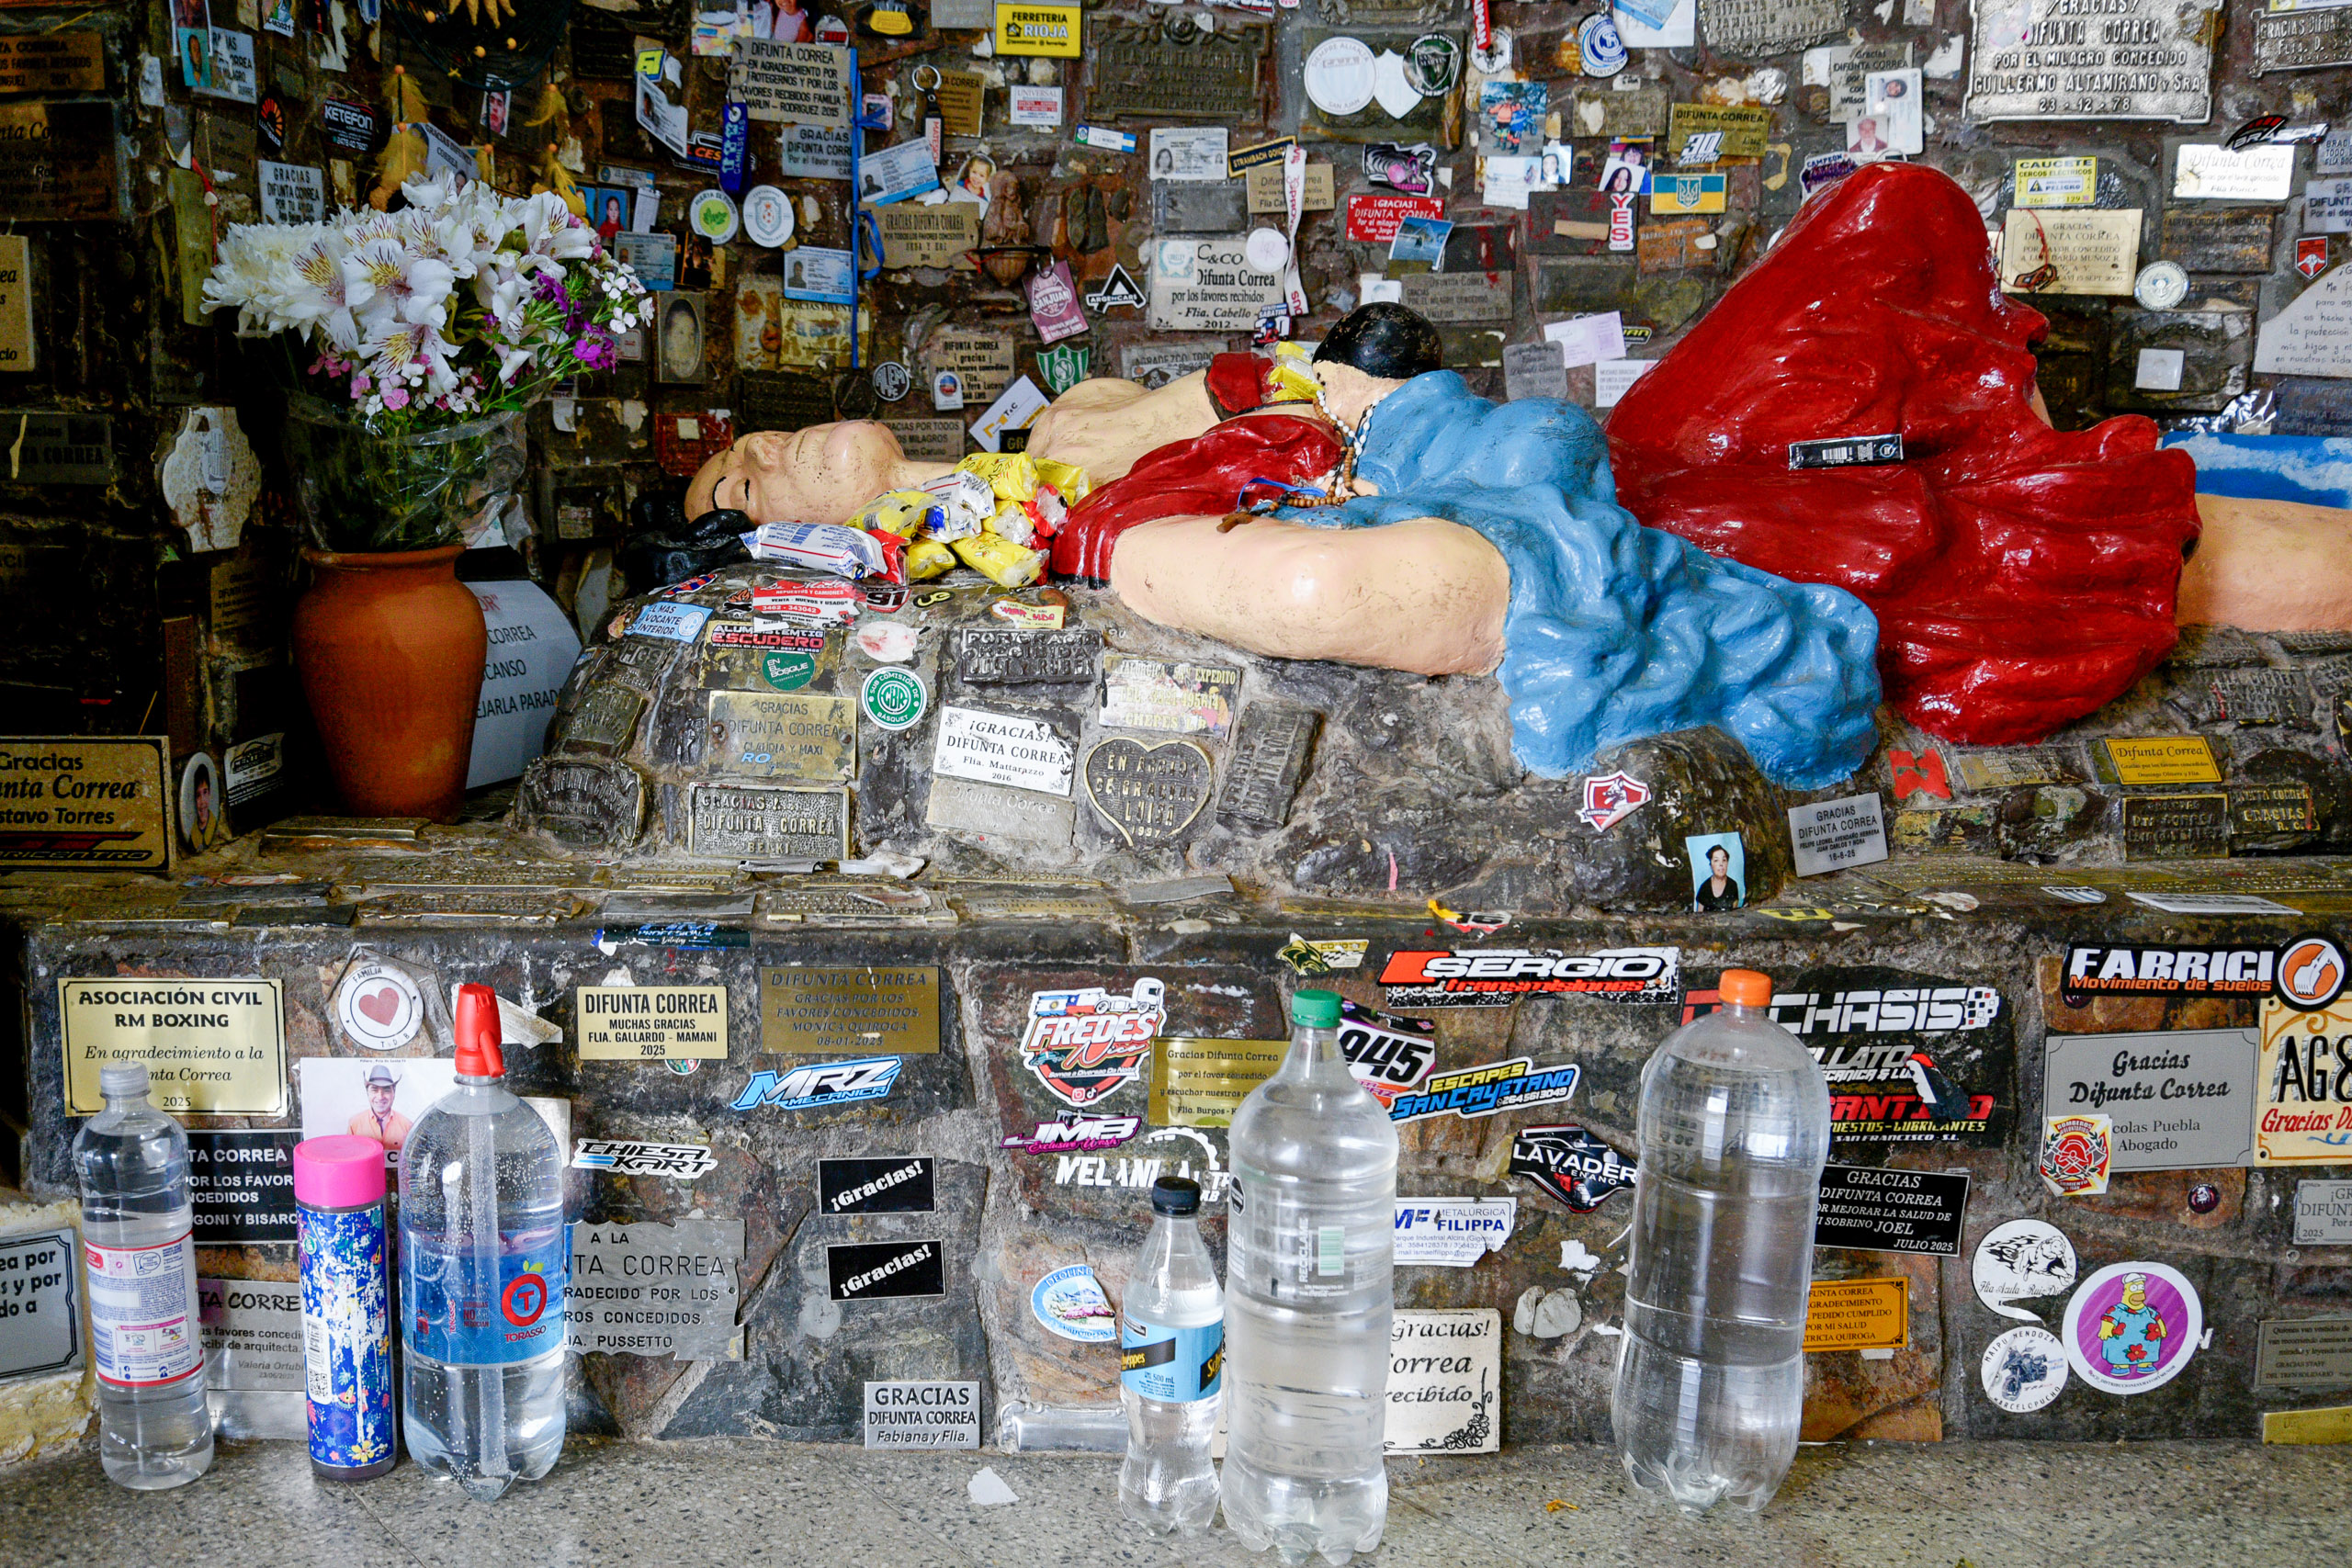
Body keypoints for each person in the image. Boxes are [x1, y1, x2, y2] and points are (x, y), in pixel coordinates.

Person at [684, 304, 1883, 789]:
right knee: (1320, 581)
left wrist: (1339, 402)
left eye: (759, 443)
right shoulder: (1064, 543)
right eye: (741, 488)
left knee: (1549, 453)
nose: (768, 458)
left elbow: (1260, 389)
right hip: (1332, 536)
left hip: (1413, 466)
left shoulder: (1069, 416)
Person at [2096, 1272, 2167, 1377]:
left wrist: (2162, 1328)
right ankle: (2121, 1365)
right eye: (2134, 1288)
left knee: (2148, 1348)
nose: (2139, 1294)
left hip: (2146, 1342)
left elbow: (2157, 1318)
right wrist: (2106, 1328)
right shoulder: (2118, 1310)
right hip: (2122, 1341)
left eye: (2141, 1288)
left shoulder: (2148, 1310)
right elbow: (2109, 1318)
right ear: (2125, 1291)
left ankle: (2146, 1364)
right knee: (2119, 1347)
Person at [348, 1065, 413, 1150]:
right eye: (374, 1090)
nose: (380, 1096)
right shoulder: (354, 1124)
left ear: (394, 1093)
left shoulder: (407, 1126)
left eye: (386, 1090)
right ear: (367, 1092)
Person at [1693, 844, 1742, 911]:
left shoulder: (1732, 885)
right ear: (1711, 865)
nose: (1721, 864)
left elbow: (1734, 914)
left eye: (1724, 860)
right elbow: (1699, 916)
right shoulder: (1705, 888)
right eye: (1716, 860)